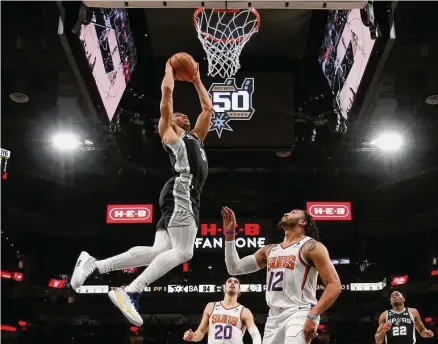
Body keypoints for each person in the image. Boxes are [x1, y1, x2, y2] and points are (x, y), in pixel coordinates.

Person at [70, 60, 213, 326]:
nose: (184, 116)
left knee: (157, 250)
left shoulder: (197, 138)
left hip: (182, 194)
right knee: (185, 252)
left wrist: (195, 80)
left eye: (185, 116)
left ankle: (95, 265)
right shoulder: (170, 134)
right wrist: (170, 69)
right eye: (179, 115)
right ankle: (132, 290)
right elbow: (167, 97)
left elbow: (208, 108)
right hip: (182, 188)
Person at [221, 207, 342, 344]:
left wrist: (313, 315)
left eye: (293, 212)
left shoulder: (311, 247)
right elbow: (234, 268)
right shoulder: (270, 249)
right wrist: (230, 233)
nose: (286, 213)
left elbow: (334, 285)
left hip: (299, 311)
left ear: (302, 222)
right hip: (274, 316)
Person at [183, 277, 261, 344]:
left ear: (239, 290)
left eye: (236, 282)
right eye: (229, 281)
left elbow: (255, 335)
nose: (232, 283)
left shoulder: (244, 311)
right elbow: (201, 331)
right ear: (224, 288)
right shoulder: (211, 306)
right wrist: (192, 336)